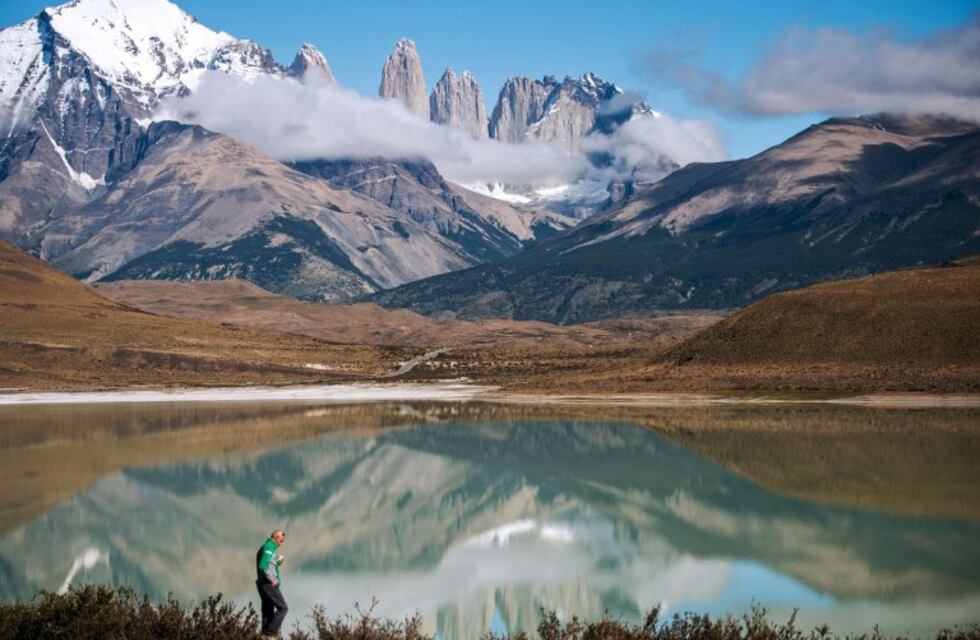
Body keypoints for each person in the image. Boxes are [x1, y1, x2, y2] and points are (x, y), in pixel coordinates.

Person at [256, 528, 289, 639]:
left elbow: (268, 563)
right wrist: (272, 579)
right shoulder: (268, 548)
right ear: (276, 537)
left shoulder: (268, 547)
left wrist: (277, 561)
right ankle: (269, 634)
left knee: (268, 610)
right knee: (283, 608)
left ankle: (264, 635)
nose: (282, 542)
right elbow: (263, 565)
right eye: (282, 540)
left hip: (262, 584)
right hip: (268, 585)